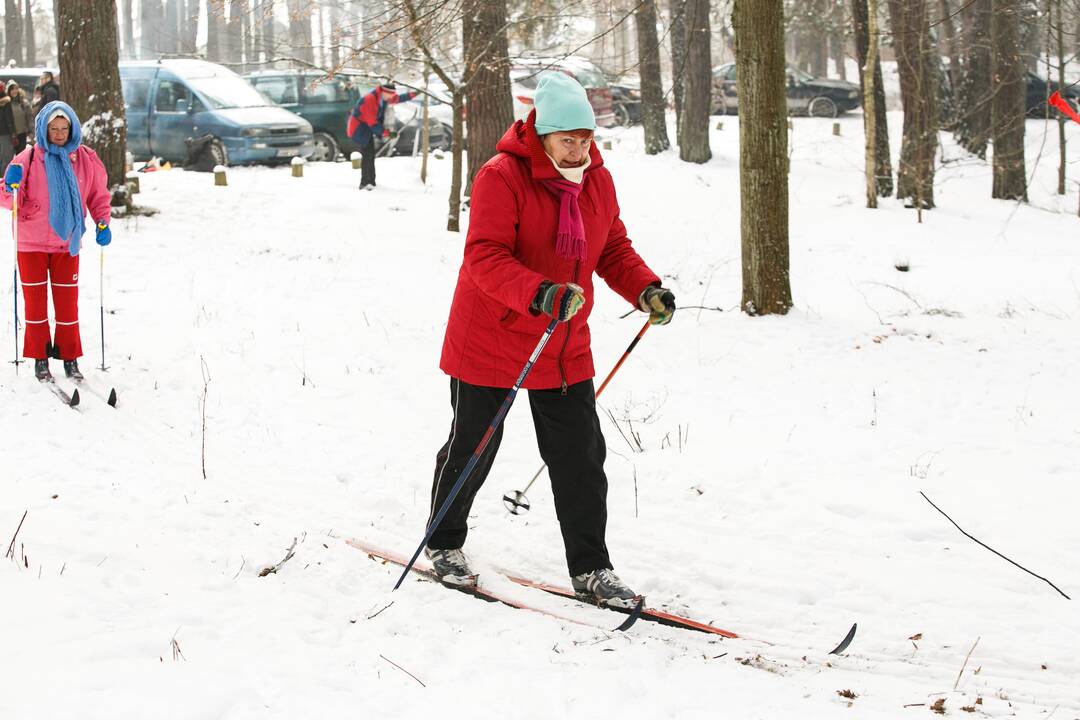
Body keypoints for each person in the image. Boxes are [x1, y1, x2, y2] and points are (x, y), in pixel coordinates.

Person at [424, 73, 677, 608]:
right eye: (568, 139)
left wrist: (645, 288)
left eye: (586, 138)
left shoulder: (597, 180)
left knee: (580, 457)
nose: (580, 148)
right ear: (541, 133)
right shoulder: (503, 177)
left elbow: (612, 248)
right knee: (474, 444)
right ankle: (444, 544)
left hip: (563, 342)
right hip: (493, 334)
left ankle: (591, 568)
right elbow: (484, 257)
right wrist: (539, 292)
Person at [0, 101, 112, 382]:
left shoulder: (85, 158)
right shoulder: (26, 159)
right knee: (35, 304)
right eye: (54, 128)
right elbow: (9, 200)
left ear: (72, 128)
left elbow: (98, 196)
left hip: (67, 242)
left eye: (64, 128)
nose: (60, 133)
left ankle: (69, 357)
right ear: (43, 128)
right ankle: (40, 358)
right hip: (32, 243)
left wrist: (102, 221)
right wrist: (8, 185)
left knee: (67, 303)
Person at [346, 81, 417, 190]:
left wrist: (413, 94)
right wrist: (388, 133)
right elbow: (373, 123)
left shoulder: (382, 97)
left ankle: (371, 182)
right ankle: (365, 183)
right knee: (367, 155)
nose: (392, 97)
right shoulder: (370, 100)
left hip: (367, 128)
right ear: (385, 92)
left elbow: (397, 99)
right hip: (359, 129)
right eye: (391, 94)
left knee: (370, 155)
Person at [7, 81, 34, 152]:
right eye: (12, 89)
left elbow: (30, 117)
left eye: (16, 89)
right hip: (9, 134)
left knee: (21, 155)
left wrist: (31, 131)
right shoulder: (6, 104)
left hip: (22, 133)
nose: (14, 91)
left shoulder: (24, 103)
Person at [0, 84, 15, 170]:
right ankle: (3, 179)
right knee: (6, 157)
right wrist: (13, 133)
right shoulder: (6, 102)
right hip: (5, 133)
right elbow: (8, 119)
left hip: (4, 133)